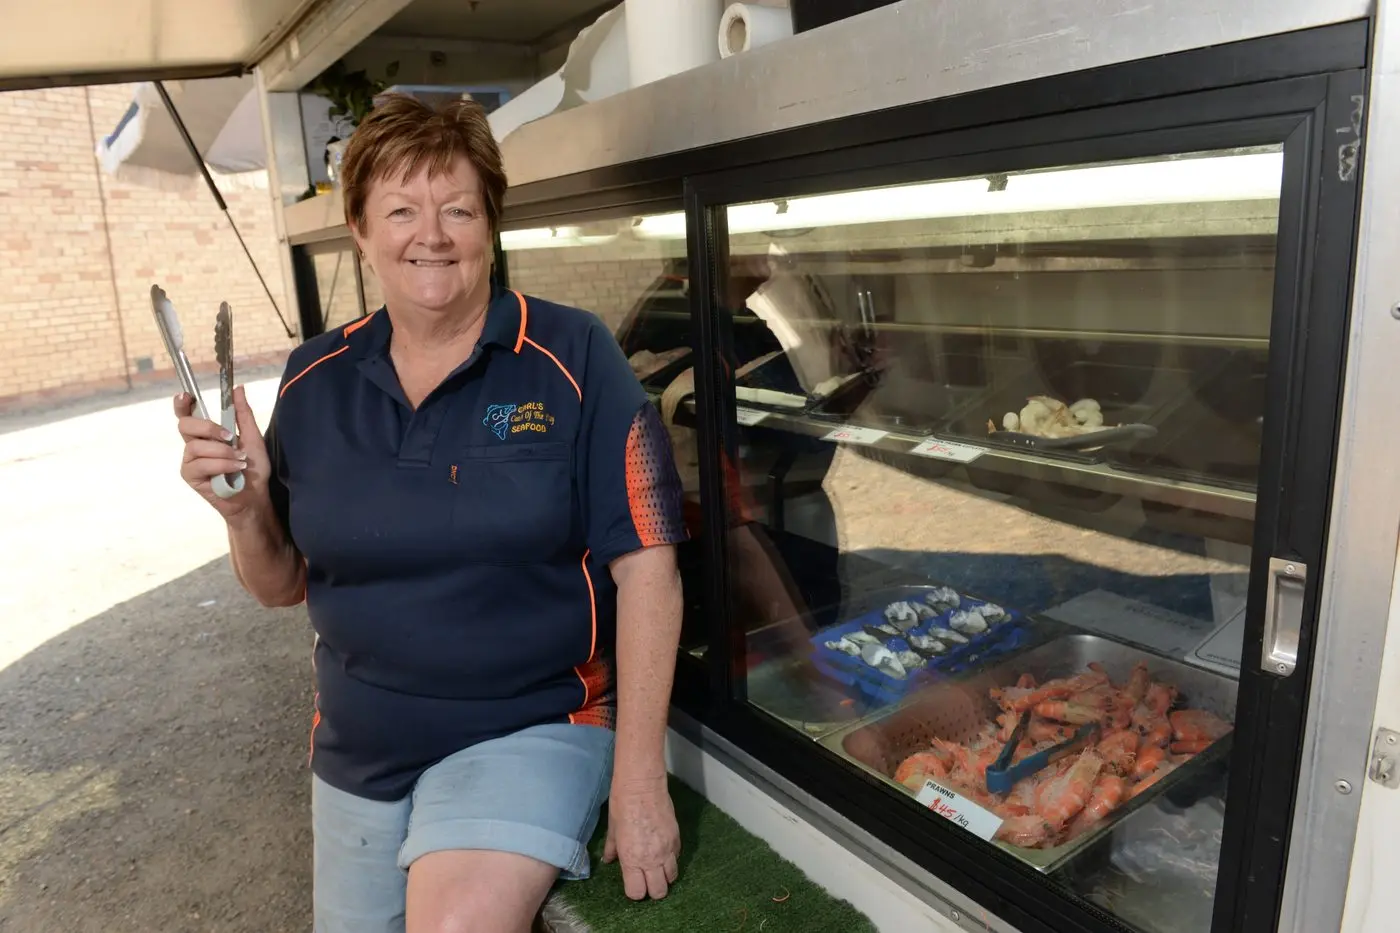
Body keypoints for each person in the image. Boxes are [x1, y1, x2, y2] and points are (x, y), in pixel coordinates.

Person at [172, 93, 690, 933]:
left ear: (491, 222)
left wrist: (639, 781)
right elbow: (279, 585)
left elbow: (650, 569)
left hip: (529, 724)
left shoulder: (573, 354)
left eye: (458, 208)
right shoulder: (314, 379)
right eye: (402, 210)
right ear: (362, 231)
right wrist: (242, 509)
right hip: (358, 748)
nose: (433, 234)